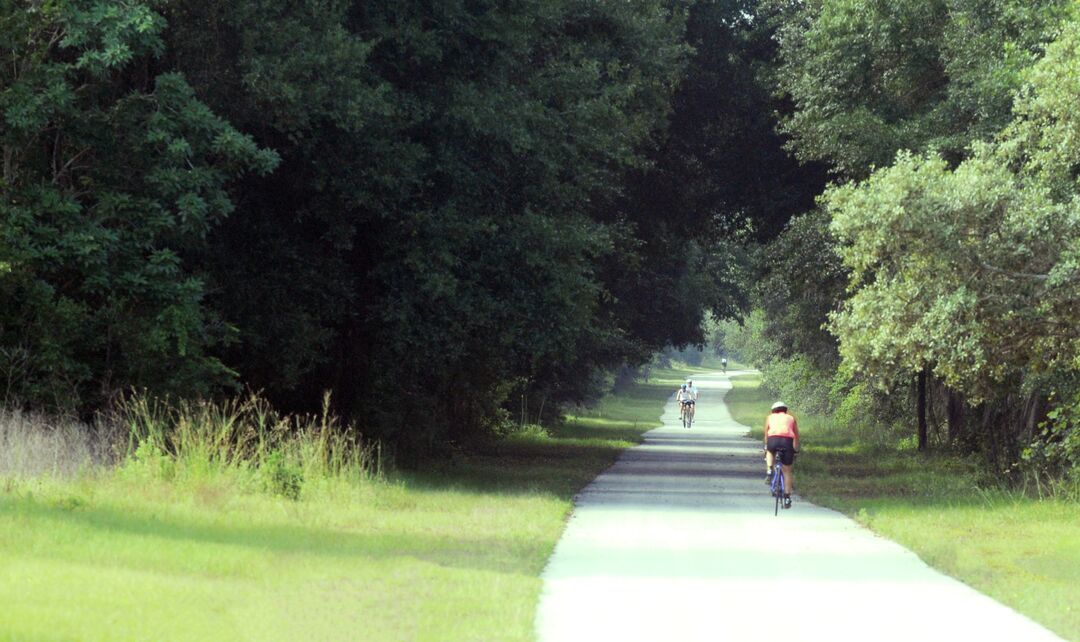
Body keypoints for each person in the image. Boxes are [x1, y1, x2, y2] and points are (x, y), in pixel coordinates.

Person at [764, 401, 799, 509]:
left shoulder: (770, 417)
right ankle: (787, 497)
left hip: (773, 439)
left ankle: (769, 470)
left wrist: (766, 445)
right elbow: (796, 436)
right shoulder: (791, 418)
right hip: (787, 441)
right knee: (787, 470)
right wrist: (796, 448)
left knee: (770, 451)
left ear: (773, 410)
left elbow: (766, 433)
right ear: (785, 410)